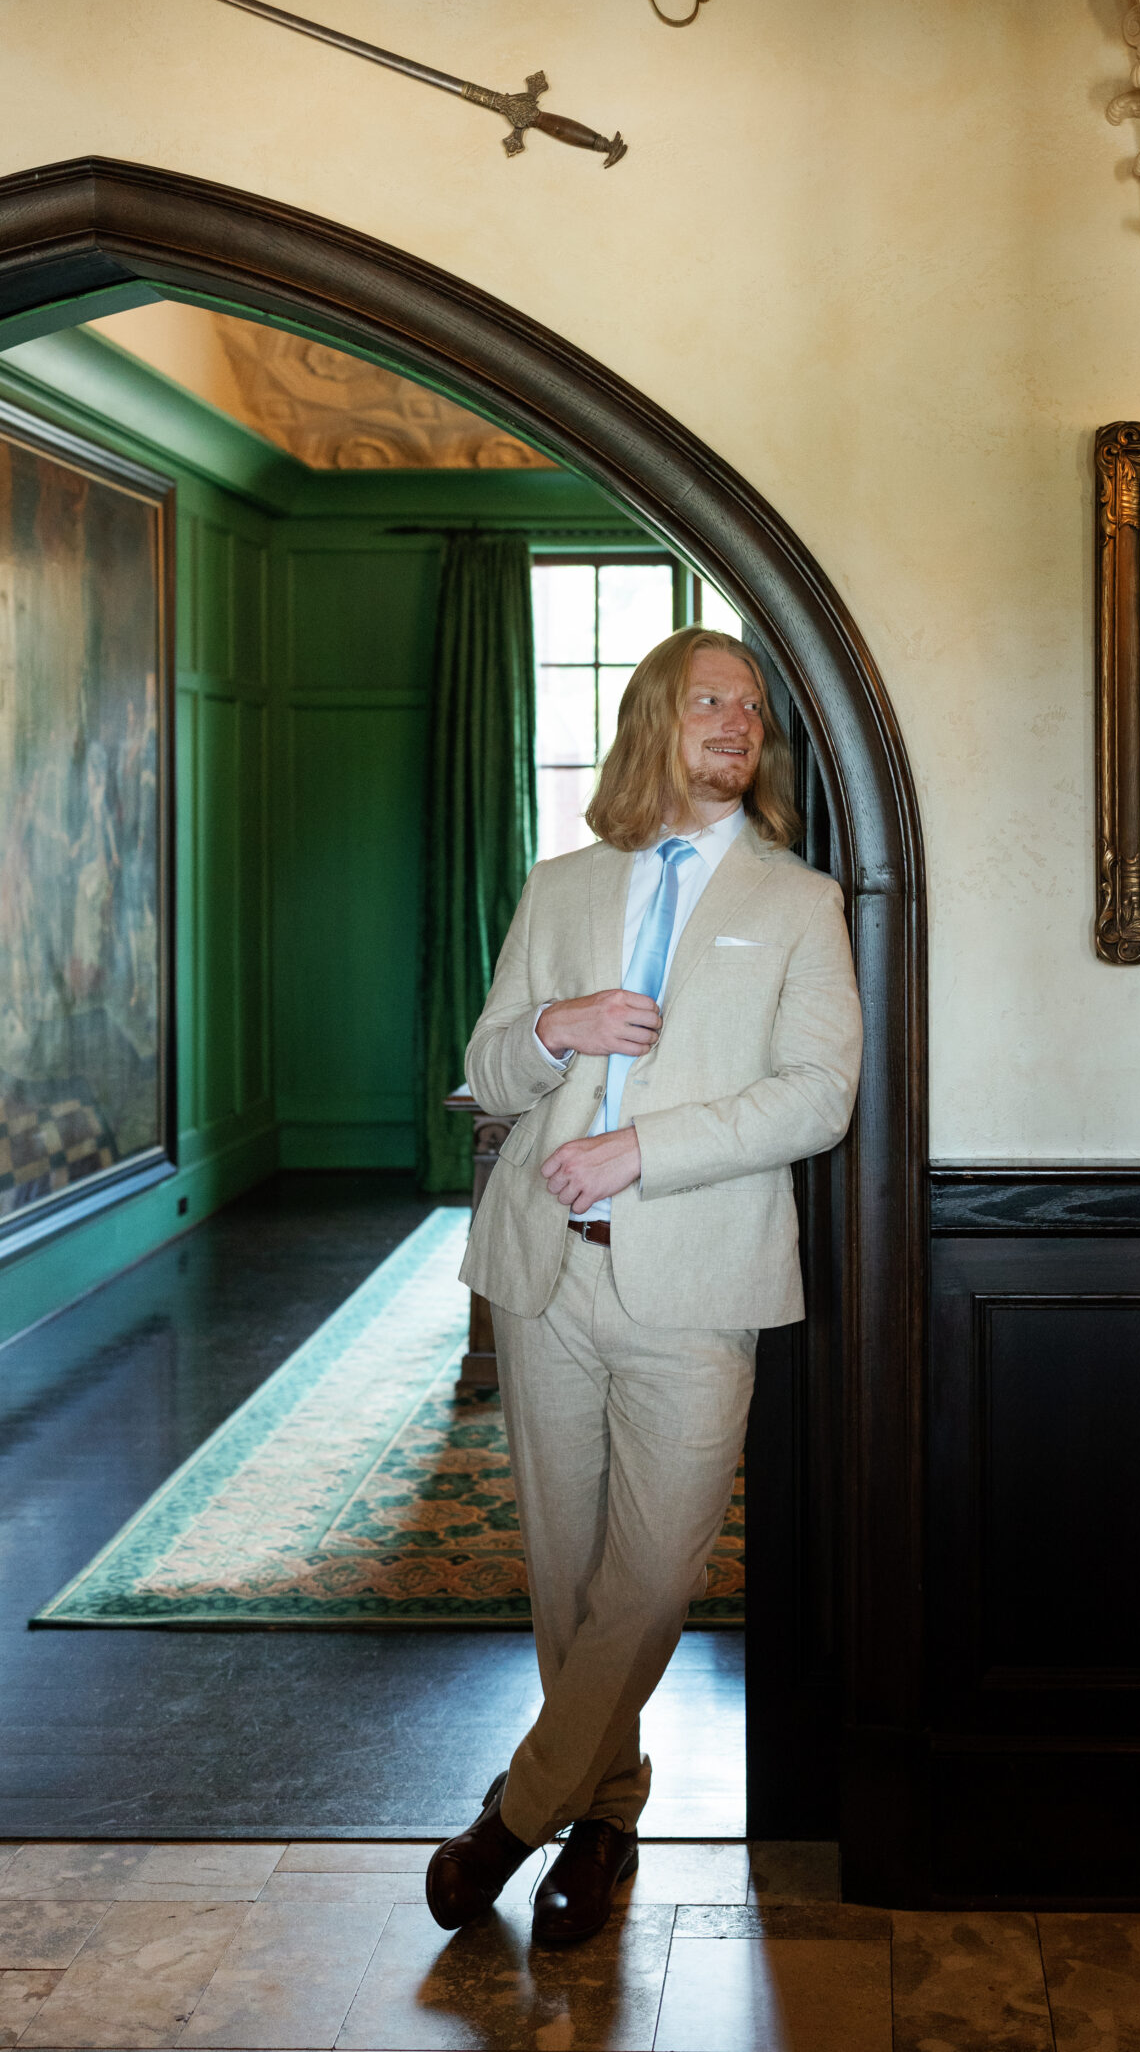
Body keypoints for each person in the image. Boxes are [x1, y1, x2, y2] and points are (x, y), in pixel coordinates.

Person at [425, 627, 862, 1946]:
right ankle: (607, 1820)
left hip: (699, 1283)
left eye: (751, 706)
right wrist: (554, 1031)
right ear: (652, 719)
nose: (737, 720)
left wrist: (643, 1150)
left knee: (654, 1577)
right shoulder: (562, 886)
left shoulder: (799, 902)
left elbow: (822, 1096)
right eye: (708, 698)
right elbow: (490, 1066)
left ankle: (515, 1815)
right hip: (546, 1277)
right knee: (566, 1575)